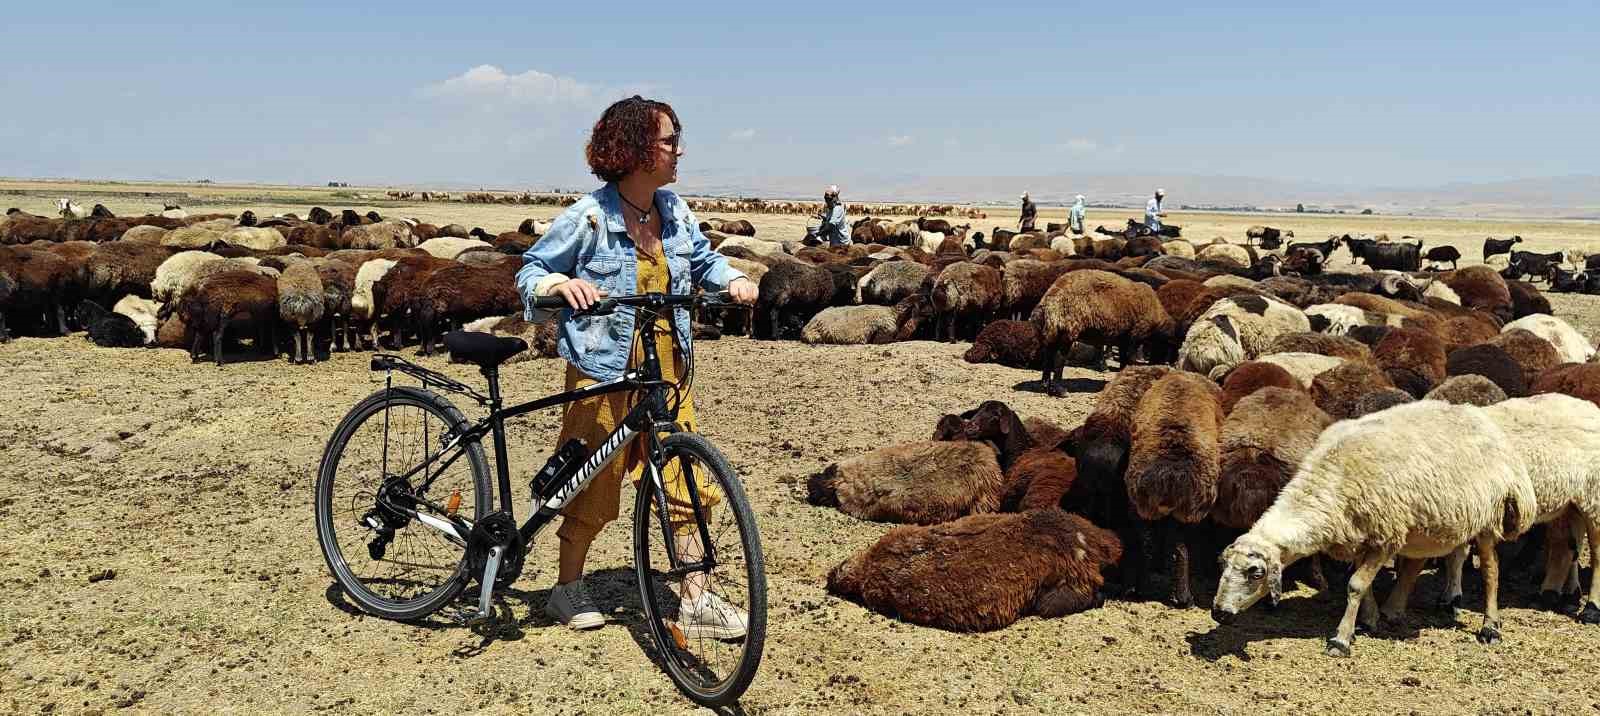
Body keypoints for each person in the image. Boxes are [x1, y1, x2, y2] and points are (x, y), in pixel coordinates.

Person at [514, 96, 760, 635]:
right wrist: (561, 283)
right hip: (604, 370)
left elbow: (703, 260)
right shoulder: (589, 217)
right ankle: (567, 587)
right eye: (670, 140)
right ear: (635, 149)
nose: (679, 150)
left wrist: (731, 278)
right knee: (592, 476)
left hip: (667, 369)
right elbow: (530, 273)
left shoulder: (675, 212)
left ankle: (696, 599)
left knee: (684, 475)